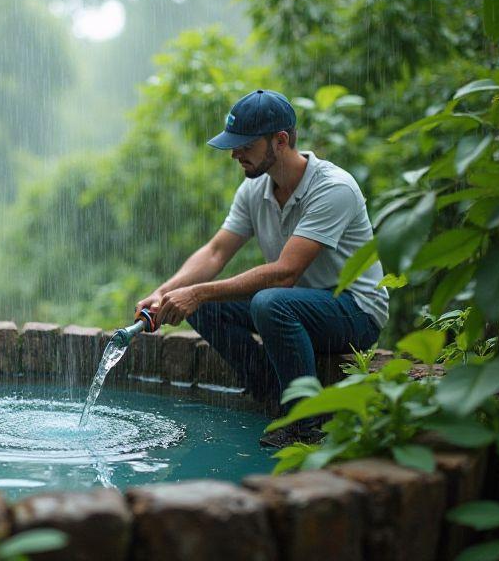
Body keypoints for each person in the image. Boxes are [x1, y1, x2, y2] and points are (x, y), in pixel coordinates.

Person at [136, 89, 388, 447]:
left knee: (268, 302)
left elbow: (287, 272)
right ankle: (275, 396)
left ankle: (305, 424)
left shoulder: (333, 188)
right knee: (204, 307)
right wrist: (165, 292)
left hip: (354, 311)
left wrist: (199, 291)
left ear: (280, 140)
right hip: (298, 305)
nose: (235, 154)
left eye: (245, 145)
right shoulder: (255, 189)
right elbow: (215, 252)